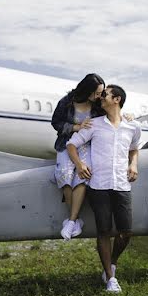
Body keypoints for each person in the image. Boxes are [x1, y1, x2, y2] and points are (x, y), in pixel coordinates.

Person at [67, 85, 140, 293]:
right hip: (98, 185)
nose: (101, 97)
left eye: (105, 94)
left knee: (126, 232)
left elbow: (134, 149)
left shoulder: (132, 126)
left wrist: (133, 164)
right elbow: (71, 145)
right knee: (104, 231)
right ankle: (110, 278)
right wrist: (80, 165)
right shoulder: (94, 125)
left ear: (116, 99)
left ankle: (112, 263)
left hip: (122, 184)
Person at [51, 73, 105, 241]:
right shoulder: (66, 102)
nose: (99, 96)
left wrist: (127, 116)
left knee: (82, 175)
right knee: (65, 177)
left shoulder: (98, 105)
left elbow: (112, 114)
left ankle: (71, 221)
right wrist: (76, 127)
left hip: (88, 146)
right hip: (66, 144)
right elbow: (56, 123)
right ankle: (76, 220)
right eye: (96, 93)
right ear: (87, 90)